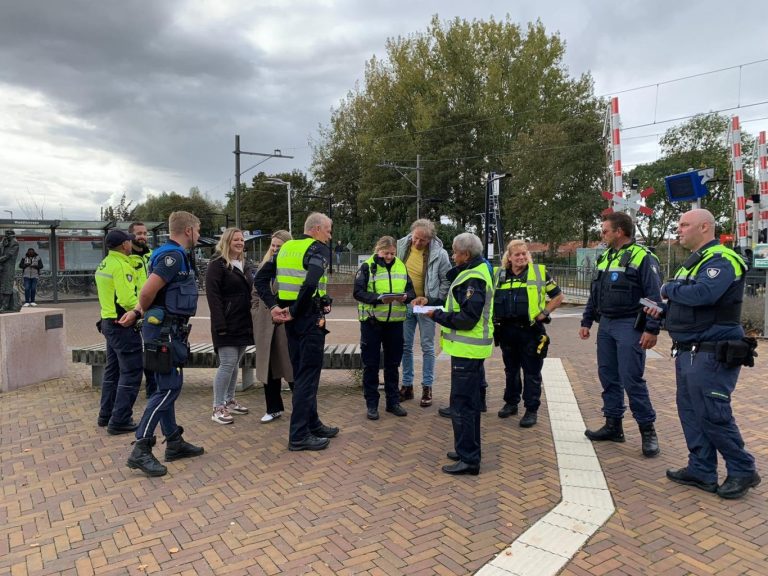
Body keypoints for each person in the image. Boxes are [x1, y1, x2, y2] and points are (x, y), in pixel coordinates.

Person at [648, 209, 760, 499]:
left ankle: (742, 469)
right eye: (679, 225)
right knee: (691, 413)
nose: (679, 230)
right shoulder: (692, 264)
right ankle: (701, 469)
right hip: (689, 351)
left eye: (685, 225)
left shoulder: (723, 259)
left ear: (705, 227)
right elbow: (687, 303)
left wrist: (668, 288)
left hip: (711, 351)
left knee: (713, 413)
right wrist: (663, 311)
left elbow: (704, 295)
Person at [125, 211, 204, 477]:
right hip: (165, 332)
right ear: (189, 230)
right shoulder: (173, 256)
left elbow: (152, 294)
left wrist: (137, 313)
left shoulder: (170, 254)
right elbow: (148, 291)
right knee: (169, 388)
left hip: (167, 330)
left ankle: (174, 442)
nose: (200, 235)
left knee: (165, 385)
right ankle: (141, 447)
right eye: (199, 230)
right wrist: (139, 311)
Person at [579, 212, 662, 458]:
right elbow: (595, 292)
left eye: (605, 231)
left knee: (631, 378)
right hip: (606, 324)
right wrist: (587, 320)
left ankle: (648, 430)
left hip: (629, 324)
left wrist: (651, 329)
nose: (601, 235)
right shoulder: (606, 257)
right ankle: (613, 424)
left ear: (620, 231)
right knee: (608, 376)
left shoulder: (643, 257)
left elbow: (654, 296)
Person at [255, 212, 339, 451]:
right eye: (328, 230)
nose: (330, 235)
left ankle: (313, 424)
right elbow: (310, 282)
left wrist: (275, 307)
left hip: (292, 322)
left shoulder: (286, 248)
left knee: (302, 372)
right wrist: (294, 310)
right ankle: (299, 435)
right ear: (316, 229)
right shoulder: (318, 249)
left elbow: (260, 279)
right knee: (307, 378)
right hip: (307, 319)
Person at [414, 233, 493, 475]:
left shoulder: (473, 278)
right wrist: (432, 303)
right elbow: (455, 306)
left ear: (465, 254)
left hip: (467, 350)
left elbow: (467, 319)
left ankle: (469, 459)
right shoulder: (473, 272)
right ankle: (465, 450)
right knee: (465, 403)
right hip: (466, 350)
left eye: (455, 251)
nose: (452, 255)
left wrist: (434, 315)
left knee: (462, 406)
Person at [494, 239, 564, 428]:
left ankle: (531, 409)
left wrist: (545, 313)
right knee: (511, 370)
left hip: (531, 331)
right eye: (517, 254)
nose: (521, 257)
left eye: (524, 253)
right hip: (506, 331)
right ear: (509, 257)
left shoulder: (539, 273)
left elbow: (558, 296)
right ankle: (511, 403)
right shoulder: (498, 275)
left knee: (532, 372)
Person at [354, 235, 416, 420]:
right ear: (377, 250)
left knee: (392, 365)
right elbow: (358, 292)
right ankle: (372, 404)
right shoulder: (366, 267)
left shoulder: (401, 266)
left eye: (392, 253)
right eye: (385, 253)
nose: (389, 256)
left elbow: (411, 291)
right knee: (371, 365)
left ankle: (393, 402)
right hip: (372, 322)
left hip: (395, 324)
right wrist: (378, 298)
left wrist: (406, 296)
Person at [396, 219, 451, 407]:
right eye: (416, 238)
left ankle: (427, 387)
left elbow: (446, 280)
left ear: (430, 239)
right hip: (406, 304)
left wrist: (435, 299)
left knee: (427, 347)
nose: (418, 243)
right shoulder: (400, 246)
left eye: (423, 240)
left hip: (427, 306)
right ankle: (407, 386)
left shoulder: (440, 254)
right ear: (411, 233)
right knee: (405, 346)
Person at [94, 229, 143, 435]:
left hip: (108, 322)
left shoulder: (104, 263)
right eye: (129, 241)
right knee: (131, 371)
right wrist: (139, 311)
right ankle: (121, 419)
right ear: (124, 245)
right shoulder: (122, 266)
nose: (131, 244)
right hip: (122, 324)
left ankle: (106, 415)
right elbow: (126, 298)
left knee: (112, 371)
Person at [206, 228, 254, 424]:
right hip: (226, 322)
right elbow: (213, 297)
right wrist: (220, 323)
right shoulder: (217, 265)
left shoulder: (245, 264)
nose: (240, 242)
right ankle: (218, 407)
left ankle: (229, 399)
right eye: (236, 239)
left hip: (243, 322)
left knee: (235, 363)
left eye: (242, 239)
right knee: (226, 363)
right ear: (227, 241)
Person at [251, 230, 294, 423]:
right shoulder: (263, 267)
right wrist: (255, 313)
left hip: (286, 323)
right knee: (268, 367)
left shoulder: (293, 267)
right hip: (265, 324)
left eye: (280, 246)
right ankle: (273, 408)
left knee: (291, 367)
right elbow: (254, 294)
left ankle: (302, 408)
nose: (275, 249)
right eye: (273, 246)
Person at [128, 221, 156, 398]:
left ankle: (152, 389)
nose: (143, 237)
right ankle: (132, 388)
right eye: (139, 233)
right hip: (133, 310)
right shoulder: (126, 258)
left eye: (145, 233)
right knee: (136, 352)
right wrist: (137, 308)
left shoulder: (152, 256)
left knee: (152, 349)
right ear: (130, 236)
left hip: (152, 310)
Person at [0, 229, 20, 312]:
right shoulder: (5, 242)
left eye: (7, 235)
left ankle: (5, 305)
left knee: (7, 286)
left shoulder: (14, 243)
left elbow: (8, 255)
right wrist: (2, 243)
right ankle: (2, 304)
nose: (6, 237)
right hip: (2, 267)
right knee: (2, 286)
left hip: (8, 267)